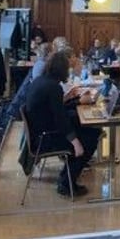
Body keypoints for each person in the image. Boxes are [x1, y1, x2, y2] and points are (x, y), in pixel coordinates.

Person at [23, 52, 102, 197]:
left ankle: (66, 176)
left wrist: (76, 101)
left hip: (41, 132)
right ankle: (66, 183)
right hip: (46, 139)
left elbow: (57, 109)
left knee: (89, 130)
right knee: (89, 139)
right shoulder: (54, 87)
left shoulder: (41, 81)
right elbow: (61, 119)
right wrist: (75, 142)